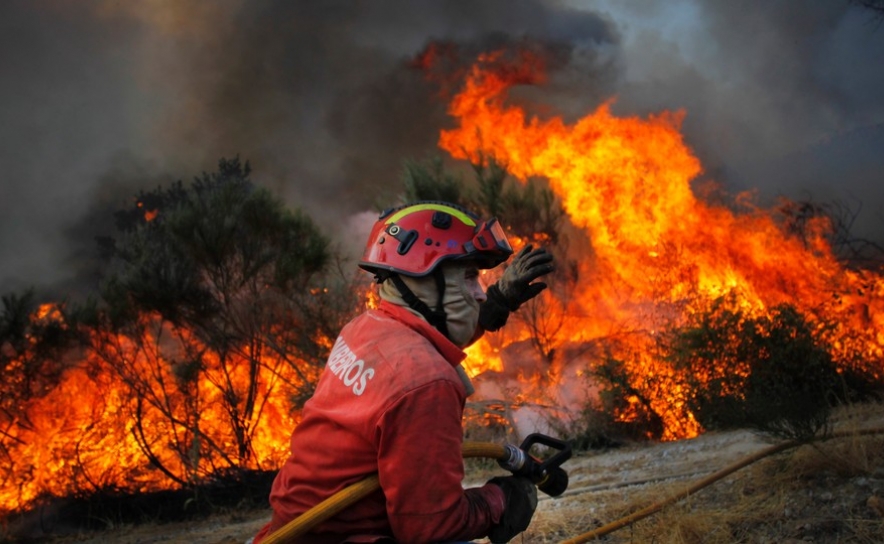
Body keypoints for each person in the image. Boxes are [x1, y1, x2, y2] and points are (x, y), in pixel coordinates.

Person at [251, 201, 555, 544]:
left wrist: (498, 302)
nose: (479, 294)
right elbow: (431, 528)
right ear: (421, 281)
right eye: (469, 277)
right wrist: (500, 500)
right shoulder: (426, 383)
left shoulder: (366, 328)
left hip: (295, 531)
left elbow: (426, 336)